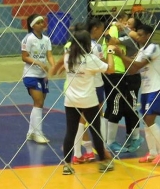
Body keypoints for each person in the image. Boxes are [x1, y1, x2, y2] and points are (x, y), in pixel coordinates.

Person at [63, 30, 115, 175]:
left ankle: (67, 165)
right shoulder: (90, 59)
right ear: (87, 43)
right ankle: (103, 162)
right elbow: (111, 69)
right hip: (89, 100)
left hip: (71, 100)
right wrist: (110, 51)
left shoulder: (67, 57)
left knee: (70, 132)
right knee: (95, 131)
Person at [115, 24, 160, 164]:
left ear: (148, 35)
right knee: (147, 122)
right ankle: (152, 153)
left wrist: (121, 55)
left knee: (150, 120)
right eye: (138, 34)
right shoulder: (141, 50)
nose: (138, 37)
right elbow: (132, 70)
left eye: (141, 35)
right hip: (146, 89)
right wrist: (122, 57)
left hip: (156, 88)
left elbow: (138, 65)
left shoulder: (154, 48)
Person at [106, 16, 144, 152]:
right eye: (125, 22)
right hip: (125, 78)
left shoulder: (130, 38)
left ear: (133, 29)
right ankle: (129, 136)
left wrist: (115, 25)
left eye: (128, 24)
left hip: (132, 78)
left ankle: (136, 137)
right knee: (124, 108)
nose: (124, 25)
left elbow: (112, 40)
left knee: (131, 107)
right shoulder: (127, 36)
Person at [21, 14, 55, 143]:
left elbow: (49, 55)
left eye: (42, 21)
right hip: (31, 75)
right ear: (33, 25)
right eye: (39, 22)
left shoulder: (46, 39)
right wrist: (39, 63)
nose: (42, 24)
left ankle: (31, 132)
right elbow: (24, 57)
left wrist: (54, 66)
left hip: (42, 76)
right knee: (39, 102)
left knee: (39, 104)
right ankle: (38, 133)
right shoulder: (28, 39)